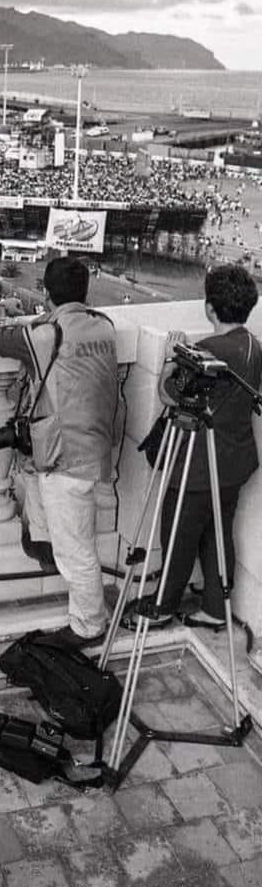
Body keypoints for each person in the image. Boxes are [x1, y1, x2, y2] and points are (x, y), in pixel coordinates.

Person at [0, 256, 121, 649]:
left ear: (46, 292)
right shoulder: (105, 327)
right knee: (69, 534)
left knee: (76, 550)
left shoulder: (46, 333)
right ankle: (43, 545)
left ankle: (89, 626)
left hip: (63, 456)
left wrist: (1, 309)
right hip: (94, 447)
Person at [128, 264, 262, 630]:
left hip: (199, 463)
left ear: (209, 308)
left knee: (177, 536)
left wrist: (174, 356)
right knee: (217, 535)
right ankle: (216, 608)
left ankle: (163, 607)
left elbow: (169, 395)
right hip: (236, 460)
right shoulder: (254, 346)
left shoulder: (207, 351)